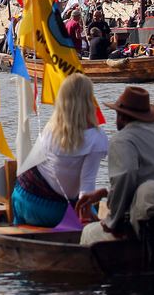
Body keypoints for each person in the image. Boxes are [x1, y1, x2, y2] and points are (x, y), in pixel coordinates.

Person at [78, 86, 154, 245]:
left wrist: (111, 222)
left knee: (87, 232)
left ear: (121, 116)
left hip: (144, 229)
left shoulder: (122, 139)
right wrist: (106, 193)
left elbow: (126, 177)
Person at [12, 73, 108, 227]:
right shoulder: (96, 137)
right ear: (89, 100)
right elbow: (87, 186)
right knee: (95, 222)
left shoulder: (49, 129)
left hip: (21, 199)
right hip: (51, 210)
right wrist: (90, 222)